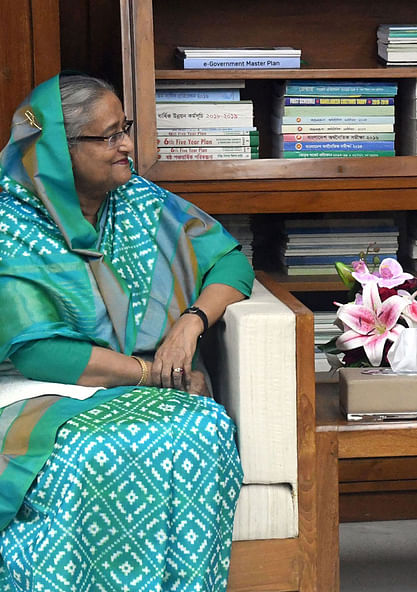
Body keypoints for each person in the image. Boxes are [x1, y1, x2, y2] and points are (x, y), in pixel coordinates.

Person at [0, 73, 255, 590]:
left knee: (204, 430)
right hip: (34, 389)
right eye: (109, 136)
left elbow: (230, 264)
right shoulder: (11, 220)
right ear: (56, 147)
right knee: (89, 453)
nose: (127, 147)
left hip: (144, 380)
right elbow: (39, 353)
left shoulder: (139, 198)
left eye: (126, 128)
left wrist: (190, 324)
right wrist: (153, 374)